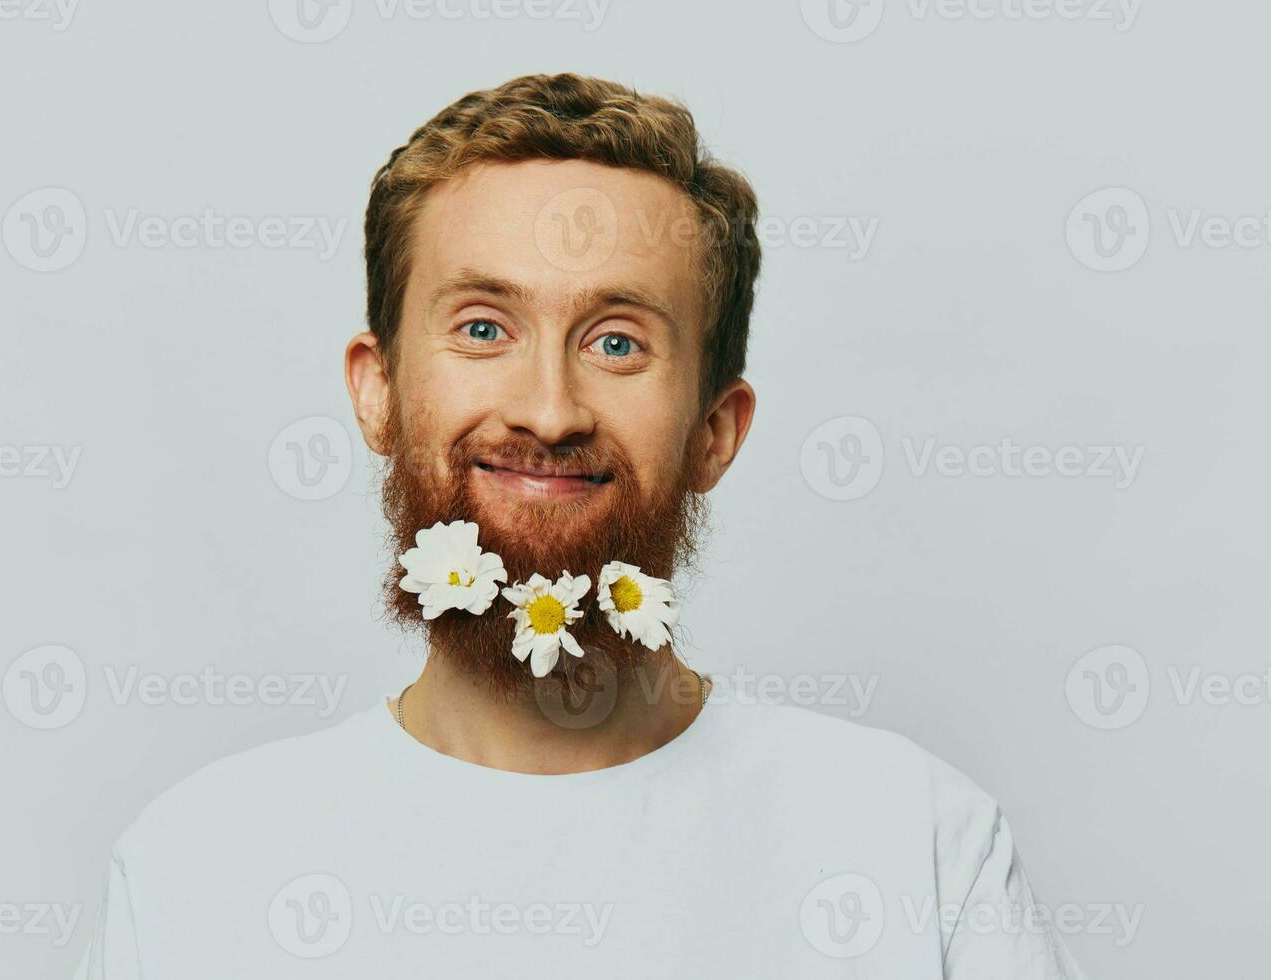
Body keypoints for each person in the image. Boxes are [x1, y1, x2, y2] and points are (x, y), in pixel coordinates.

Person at [75, 72, 1086, 979]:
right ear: (376, 392)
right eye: (483, 327)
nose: (548, 410)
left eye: (616, 340)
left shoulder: (916, 847)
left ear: (714, 432)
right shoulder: (197, 870)